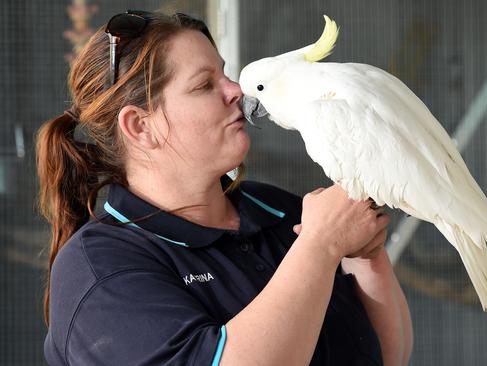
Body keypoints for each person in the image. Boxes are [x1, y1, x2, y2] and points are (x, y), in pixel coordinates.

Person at [36, 10, 412, 366]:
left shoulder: (280, 210)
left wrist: (367, 258)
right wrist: (320, 247)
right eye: (204, 85)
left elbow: (385, 356)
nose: (235, 90)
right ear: (140, 127)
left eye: (225, 74)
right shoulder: (101, 268)